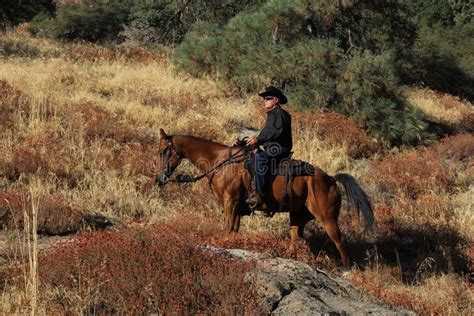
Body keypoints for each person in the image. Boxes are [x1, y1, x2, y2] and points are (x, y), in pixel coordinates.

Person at [245, 86, 292, 208]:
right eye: (264, 99)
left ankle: (262, 197)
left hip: (281, 148)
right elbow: (266, 134)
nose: (265, 101)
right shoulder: (271, 115)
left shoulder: (281, 114)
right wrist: (247, 143)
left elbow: (278, 132)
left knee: (260, 159)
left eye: (268, 98)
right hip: (271, 148)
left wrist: (258, 139)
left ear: (276, 100)